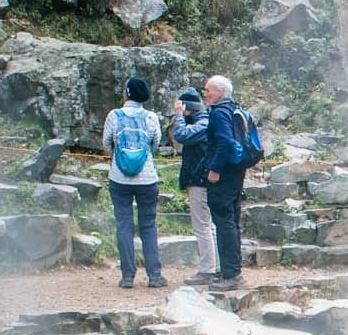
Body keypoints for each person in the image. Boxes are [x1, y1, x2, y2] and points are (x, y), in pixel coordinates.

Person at [102, 76, 166, 290]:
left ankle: (127, 276)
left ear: (127, 93)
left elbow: (106, 144)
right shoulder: (151, 117)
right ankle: (154, 275)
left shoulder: (114, 115)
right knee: (148, 226)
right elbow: (155, 144)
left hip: (119, 178)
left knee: (124, 225)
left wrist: (119, 157)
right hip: (147, 178)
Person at [200, 74, 245, 293]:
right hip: (236, 172)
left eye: (208, 90)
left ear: (219, 92)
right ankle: (232, 270)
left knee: (224, 222)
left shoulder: (219, 113)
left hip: (223, 175)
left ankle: (231, 274)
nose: (205, 94)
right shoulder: (233, 108)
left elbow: (225, 142)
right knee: (232, 221)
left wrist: (215, 169)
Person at [171, 88, 218, 285]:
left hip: (199, 180)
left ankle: (207, 270)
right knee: (208, 225)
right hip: (200, 179)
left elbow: (181, 135)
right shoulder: (201, 120)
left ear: (188, 108)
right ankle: (215, 266)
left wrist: (179, 116)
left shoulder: (203, 122)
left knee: (202, 225)